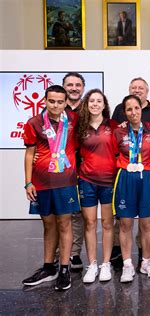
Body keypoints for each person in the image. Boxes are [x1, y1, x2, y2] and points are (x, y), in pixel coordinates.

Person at [22, 85, 80, 291]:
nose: (55, 105)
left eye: (59, 102)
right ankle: (49, 267)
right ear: (45, 101)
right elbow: (30, 153)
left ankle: (64, 269)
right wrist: (28, 182)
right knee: (48, 224)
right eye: (51, 101)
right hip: (41, 182)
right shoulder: (34, 123)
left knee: (65, 223)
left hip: (66, 182)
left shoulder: (74, 120)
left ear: (66, 103)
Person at [110, 77, 150, 270]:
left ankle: (146, 261)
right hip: (125, 178)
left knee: (147, 224)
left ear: (142, 108)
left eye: (136, 108)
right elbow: (111, 153)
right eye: (129, 109)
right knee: (125, 224)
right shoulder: (118, 132)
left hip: (146, 177)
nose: (133, 112)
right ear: (124, 112)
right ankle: (127, 264)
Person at [76, 89, 117, 283]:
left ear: (104, 104)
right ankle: (92, 264)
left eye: (99, 101)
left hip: (109, 181)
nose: (95, 104)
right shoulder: (79, 126)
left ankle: (106, 264)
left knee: (108, 223)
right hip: (87, 180)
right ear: (87, 104)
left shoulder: (114, 126)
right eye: (91, 100)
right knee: (90, 223)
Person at [62, 72, 86, 271]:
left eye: (78, 85)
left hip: (83, 167)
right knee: (60, 212)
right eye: (70, 85)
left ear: (83, 88)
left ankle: (74, 254)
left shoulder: (90, 108)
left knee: (78, 213)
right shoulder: (55, 108)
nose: (74, 88)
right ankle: (58, 255)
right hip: (59, 168)